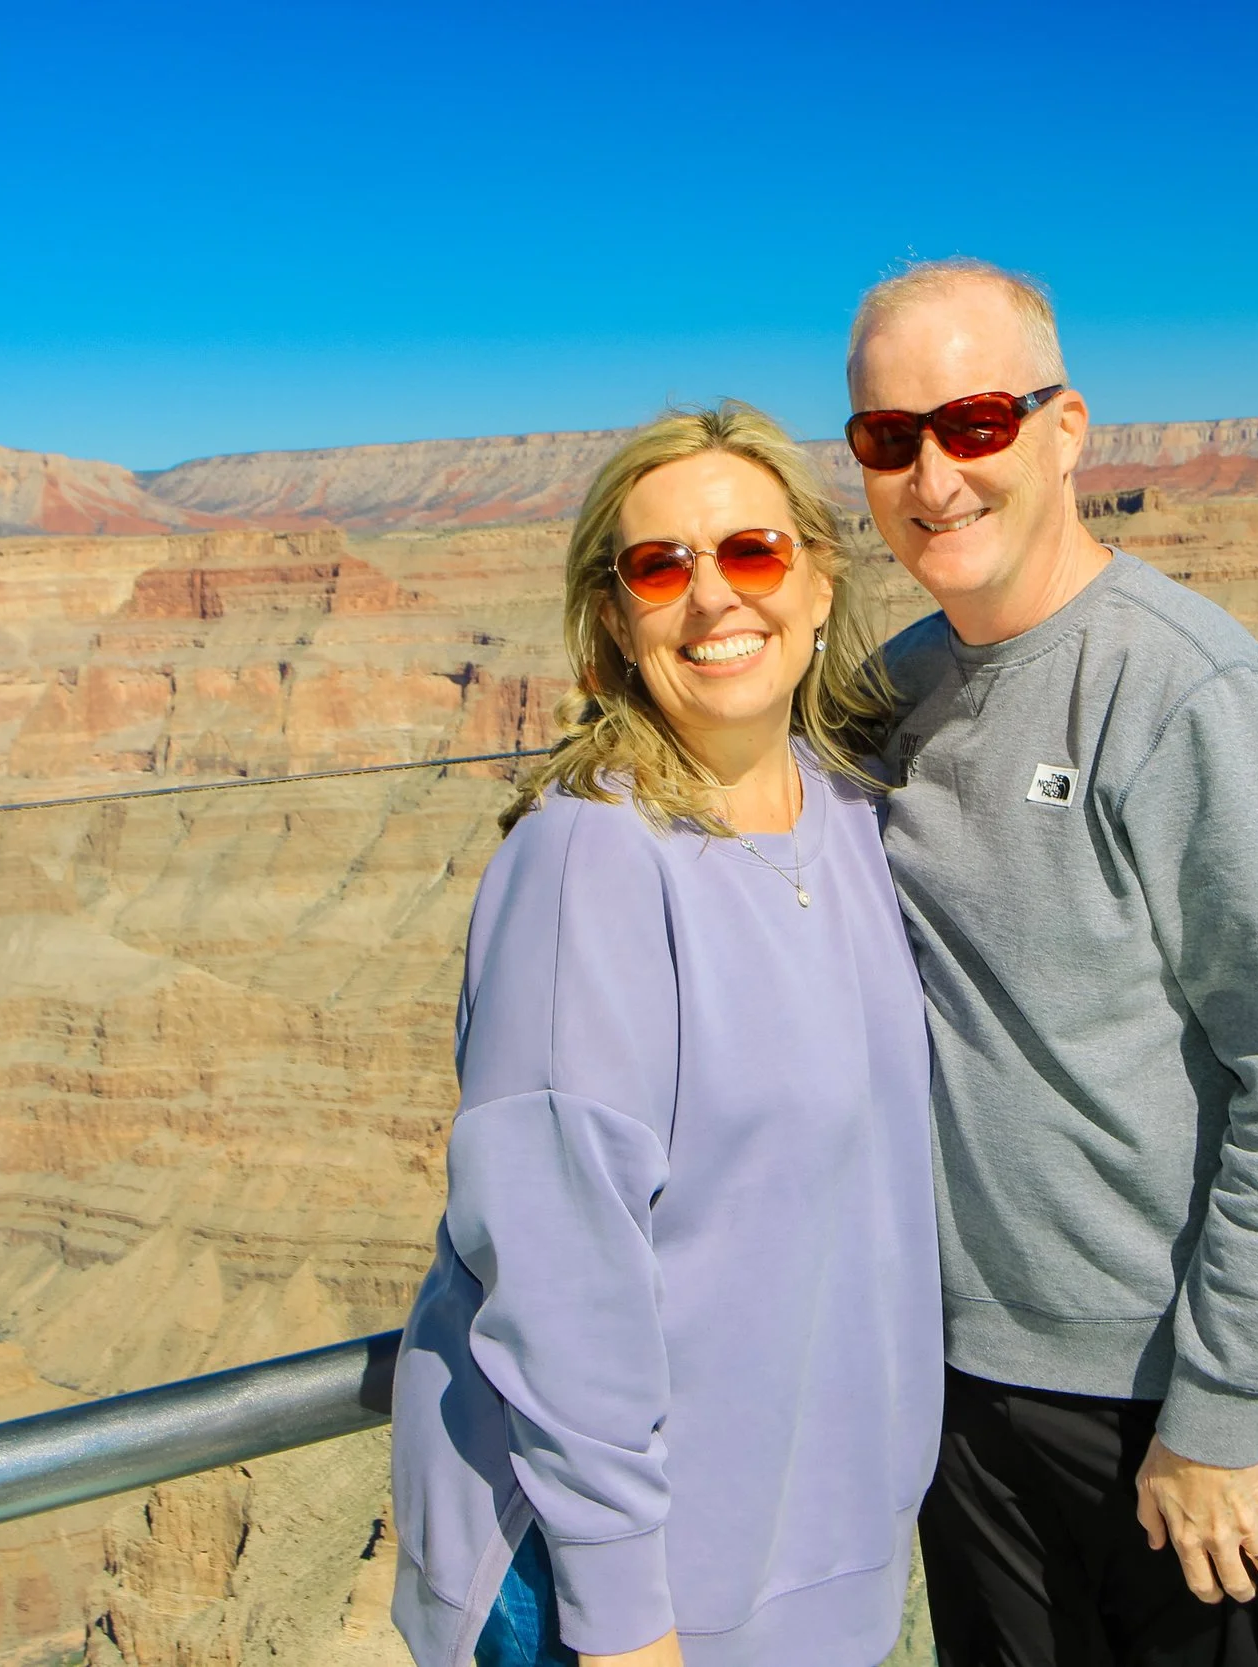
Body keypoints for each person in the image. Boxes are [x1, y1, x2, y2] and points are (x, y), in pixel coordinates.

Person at [850, 259, 1258, 1666]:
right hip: (966, 1395)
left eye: (974, 422)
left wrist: (1217, 1414)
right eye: (889, 437)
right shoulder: (890, 693)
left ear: (1064, 428)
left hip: (1178, 1404)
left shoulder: (1193, 695)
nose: (934, 477)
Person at [389, 404, 941, 1667]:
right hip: (610, 1597)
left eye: (750, 550)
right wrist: (623, 1617)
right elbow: (562, 1276)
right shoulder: (591, 859)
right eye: (658, 566)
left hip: (806, 1558)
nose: (711, 597)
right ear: (612, 622)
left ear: (816, 580)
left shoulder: (853, 818)